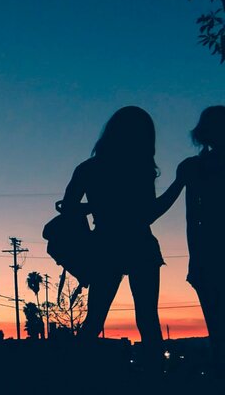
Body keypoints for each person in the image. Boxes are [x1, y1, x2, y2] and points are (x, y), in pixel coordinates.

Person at [61, 106, 181, 373]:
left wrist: (95, 208)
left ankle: (75, 376)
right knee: (148, 318)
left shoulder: (88, 169)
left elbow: (67, 208)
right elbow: (149, 214)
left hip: (105, 245)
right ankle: (155, 377)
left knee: (94, 319)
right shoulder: (140, 168)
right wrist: (178, 184)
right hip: (139, 244)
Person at [177, 106, 225, 374]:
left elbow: (192, 218)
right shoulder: (195, 167)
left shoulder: (194, 166)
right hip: (207, 259)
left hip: (206, 257)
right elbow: (192, 218)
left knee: (218, 332)